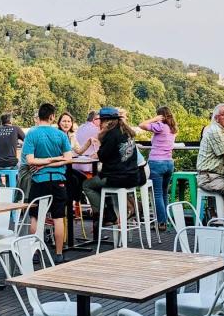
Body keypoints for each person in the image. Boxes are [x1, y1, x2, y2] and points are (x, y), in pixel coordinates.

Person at [21, 103, 73, 262]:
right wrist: (53, 161)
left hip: (39, 180)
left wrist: (43, 164)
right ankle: (58, 253)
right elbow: (68, 159)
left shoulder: (32, 133)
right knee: (58, 217)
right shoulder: (61, 135)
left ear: (39, 116)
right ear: (52, 117)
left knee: (35, 218)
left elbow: (30, 160)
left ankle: (35, 252)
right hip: (58, 180)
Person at [83, 106, 147, 226]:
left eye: (101, 121)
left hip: (118, 178)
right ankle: (113, 212)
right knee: (100, 183)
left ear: (107, 121)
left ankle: (106, 215)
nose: (100, 124)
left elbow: (102, 156)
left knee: (87, 185)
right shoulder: (126, 132)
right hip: (133, 176)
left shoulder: (110, 135)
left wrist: (99, 144)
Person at [139, 107, 178, 229]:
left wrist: (154, 119)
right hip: (169, 163)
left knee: (157, 193)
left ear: (161, 116)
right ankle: (165, 220)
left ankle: (161, 222)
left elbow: (141, 125)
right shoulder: (173, 129)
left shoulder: (160, 126)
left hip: (157, 163)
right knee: (164, 193)